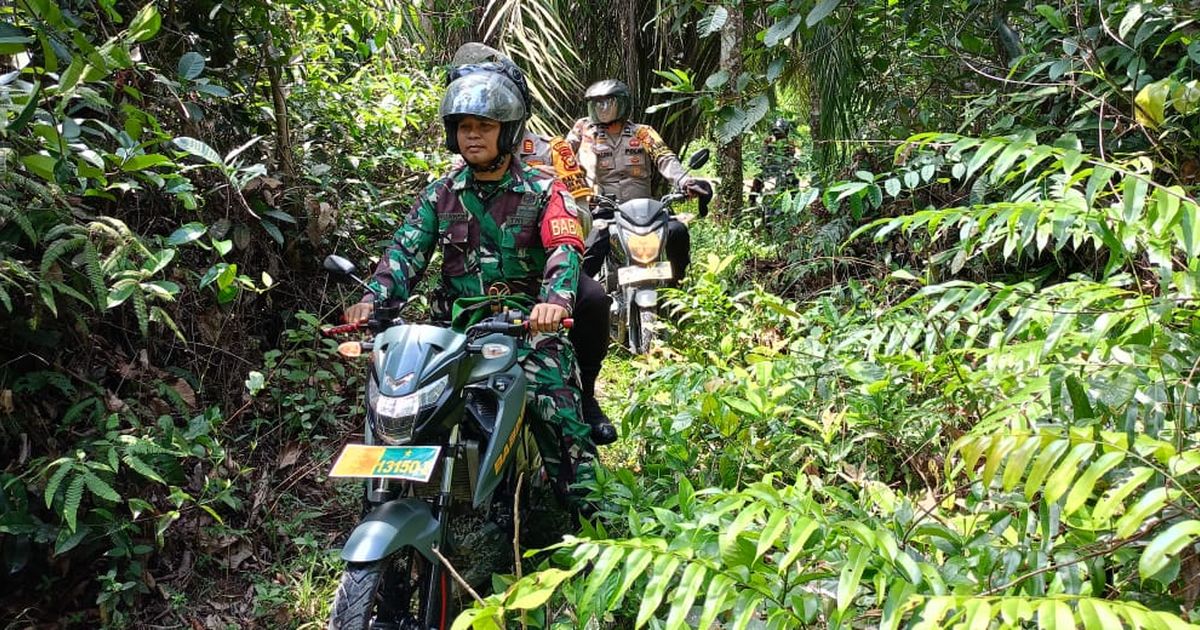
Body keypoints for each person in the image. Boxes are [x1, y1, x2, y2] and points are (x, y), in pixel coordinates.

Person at [343, 71, 591, 496]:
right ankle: (400, 493)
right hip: (454, 331)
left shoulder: (545, 189)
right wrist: (373, 299)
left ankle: (585, 506)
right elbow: (404, 252)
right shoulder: (441, 193)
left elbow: (565, 247)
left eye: (485, 126)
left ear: (508, 131)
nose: (472, 136)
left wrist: (553, 301)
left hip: (525, 328)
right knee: (401, 400)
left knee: (554, 405)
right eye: (464, 127)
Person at [448, 44, 617, 446]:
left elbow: (579, 205)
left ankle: (586, 396)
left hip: (541, 271)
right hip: (477, 290)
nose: (475, 131)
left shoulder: (551, 149)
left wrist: (546, 210)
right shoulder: (456, 170)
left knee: (591, 298)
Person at [566, 79, 710, 281]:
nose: (602, 108)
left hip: (645, 210)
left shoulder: (643, 132)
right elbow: (562, 154)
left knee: (677, 231)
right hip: (604, 209)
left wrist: (685, 182)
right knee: (591, 247)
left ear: (623, 104)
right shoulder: (584, 129)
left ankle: (676, 286)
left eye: (608, 102)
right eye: (597, 103)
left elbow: (664, 157)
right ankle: (582, 300)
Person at [750, 117, 799, 203]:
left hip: (784, 171)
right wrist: (764, 150)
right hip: (769, 170)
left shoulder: (790, 144)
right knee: (757, 180)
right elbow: (762, 156)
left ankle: (796, 205)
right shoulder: (769, 142)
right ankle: (752, 203)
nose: (778, 134)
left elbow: (795, 157)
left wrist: (793, 160)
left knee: (793, 181)